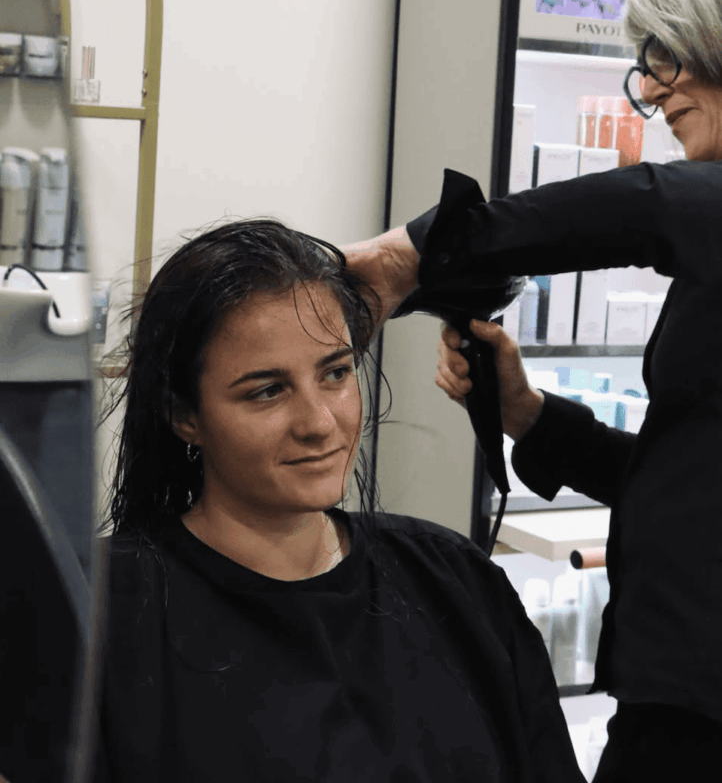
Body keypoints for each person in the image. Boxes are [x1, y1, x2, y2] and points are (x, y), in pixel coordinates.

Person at [340, 0, 722, 781]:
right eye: (644, 66)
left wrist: (424, 249)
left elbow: (648, 206)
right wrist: (528, 415)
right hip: (675, 690)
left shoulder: (695, 215)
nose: (652, 92)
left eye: (667, 60)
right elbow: (681, 477)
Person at [92, 218, 584, 782]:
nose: (321, 423)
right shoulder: (102, 613)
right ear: (185, 415)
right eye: (267, 391)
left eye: (335, 373)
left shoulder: (456, 580)